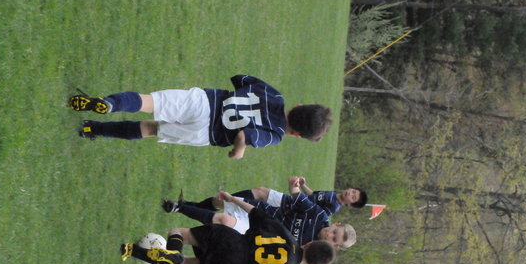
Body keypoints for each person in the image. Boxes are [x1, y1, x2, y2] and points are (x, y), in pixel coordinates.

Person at [121, 191, 336, 264]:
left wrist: (232, 199)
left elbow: (256, 212)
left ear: (309, 244)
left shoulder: (287, 235)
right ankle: (132, 251)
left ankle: (172, 251)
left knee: (177, 233)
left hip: (230, 239)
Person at [68, 75, 332, 159]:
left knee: (149, 102)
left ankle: (110, 103)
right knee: (149, 128)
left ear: (299, 105)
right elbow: (244, 135)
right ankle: (93, 129)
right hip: (205, 133)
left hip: (205, 102)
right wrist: (238, 151)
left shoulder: (274, 95)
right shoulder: (275, 135)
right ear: (297, 135)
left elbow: (240, 79)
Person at [163, 178, 357, 248]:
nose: (329, 235)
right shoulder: (319, 215)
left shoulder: (313, 249)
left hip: (255, 234)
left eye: (333, 239)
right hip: (260, 212)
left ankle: (179, 207)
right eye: (334, 232)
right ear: (336, 224)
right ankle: (186, 206)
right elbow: (300, 199)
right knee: (221, 202)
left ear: (335, 246)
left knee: (222, 220)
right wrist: (294, 185)